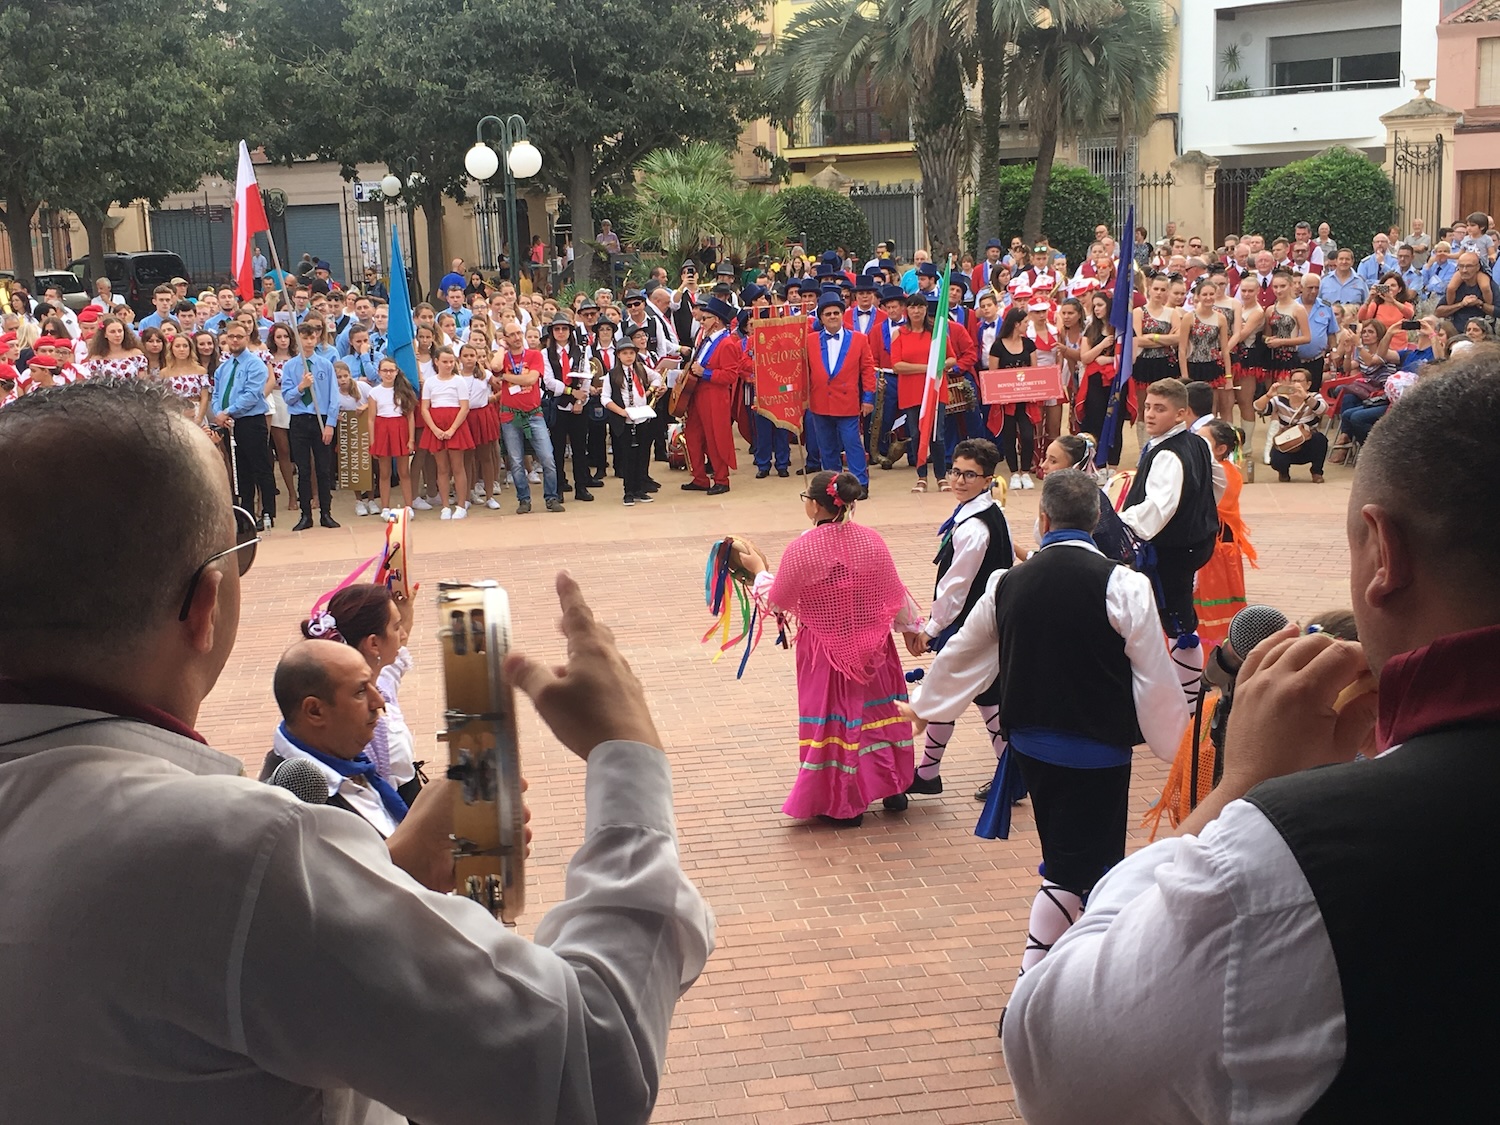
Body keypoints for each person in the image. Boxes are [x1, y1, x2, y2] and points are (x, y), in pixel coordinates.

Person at [0, 380, 714, 1125]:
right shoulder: (241, 853)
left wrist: (385, 879)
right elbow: (589, 1067)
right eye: (241, 538)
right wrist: (627, 754)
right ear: (205, 605)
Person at [1001, 358, 1497, 1125]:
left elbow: (1055, 1062)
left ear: (1383, 553)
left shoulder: (1301, 850)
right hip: (1096, 729)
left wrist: (1241, 790)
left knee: (1068, 869)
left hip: (1071, 742)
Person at [912, 469, 1186, 1005]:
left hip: (1030, 743)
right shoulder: (1123, 584)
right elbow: (1154, 675)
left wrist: (926, 704)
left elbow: (965, 651)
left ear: (1042, 521)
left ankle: (1069, 977)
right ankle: (1033, 990)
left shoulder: (1008, 583)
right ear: (1098, 520)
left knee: (1079, 859)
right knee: (1076, 866)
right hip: (1098, 749)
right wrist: (1178, 749)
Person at [730, 471, 921, 827]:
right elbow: (894, 592)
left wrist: (758, 571)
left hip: (826, 652)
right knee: (877, 718)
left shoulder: (803, 548)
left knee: (836, 723)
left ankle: (844, 802)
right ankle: (894, 787)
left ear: (815, 505)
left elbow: (777, 600)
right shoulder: (872, 541)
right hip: (876, 649)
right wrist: (913, 629)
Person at [903, 439, 1016, 801]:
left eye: (970, 475)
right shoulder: (988, 513)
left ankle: (1004, 775)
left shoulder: (974, 527)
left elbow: (956, 587)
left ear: (987, 479)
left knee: (950, 691)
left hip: (971, 624)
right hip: (987, 621)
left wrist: (930, 629)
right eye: (955, 471)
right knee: (983, 695)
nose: (959, 480)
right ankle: (934, 772)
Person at [1120, 377, 1221, 705]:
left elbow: (1157, 509)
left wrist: (1118, 526)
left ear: (1180, 414)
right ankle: (1181, 693)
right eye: (1148, 406)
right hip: (1194, 541)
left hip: (1173, 549)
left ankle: (1190, 702)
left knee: (1176, 622)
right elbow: (1217, 484)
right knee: (1172, 616)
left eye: (1159, 409)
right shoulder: (1198, 443)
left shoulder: (1168, 454)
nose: (1149, 414)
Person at [261, 640, 403, 837]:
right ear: (315, 711)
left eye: (373, 684)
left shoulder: (344, 755)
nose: (378, 701)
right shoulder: (295, 806)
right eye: (361, 691)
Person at [1192, 421, 1258, 648]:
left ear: (1220, 449)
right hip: (1217, 549)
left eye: (1202, 441)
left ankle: (1213, 653)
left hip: (1216, 553)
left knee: (1210, 609)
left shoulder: (1221, 473)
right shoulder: (1219, 470)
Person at [805, 291, 876, 496]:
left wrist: (868, 398)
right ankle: (832, 483)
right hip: (820, 402)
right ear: (821, 318)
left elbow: (868, 370)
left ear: (843, 314)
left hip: (848, 402)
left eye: (836, 312)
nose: (833, 316)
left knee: (852, 443)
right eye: (828, 314)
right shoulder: (809, 341)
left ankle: (860, 483)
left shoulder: (859, 340)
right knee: (826, 446)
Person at [211, 322, 277, 529]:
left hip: (251, 421)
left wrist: (228, 411)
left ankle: (267, 512)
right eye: (231, 337)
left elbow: (252, 394)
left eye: (239, 336)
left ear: (247, 338)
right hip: (230, 423)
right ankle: (246, 514)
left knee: (261, 468)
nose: (235, 340)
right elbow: (216, 393)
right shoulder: (224, 367)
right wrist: (218, 413)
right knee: (242, 470)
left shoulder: (255, 364)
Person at [496, 319, 563, 514]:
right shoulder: (504, 358)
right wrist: (501, 347)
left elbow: (531, 379)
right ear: (506, 338)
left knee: (547, 457)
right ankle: (523, 499)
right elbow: (493, 365)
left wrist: (506, 377)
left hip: (534, 414)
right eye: (512, 335)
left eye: (519, 333)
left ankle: (551, 497)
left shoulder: (534, 355)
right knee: (516, 461)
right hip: (510, 416)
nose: (517, 338)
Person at [279, 322, 341, 531]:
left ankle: (326, 512)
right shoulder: (290, 366)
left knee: (323, 469)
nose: (308, 341)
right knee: (304, 469)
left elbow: (334, 397)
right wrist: (301, 387)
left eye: (312, 337)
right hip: (299, 420)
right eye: (304, 338)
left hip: (320, 418)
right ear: (298, 340)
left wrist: (330, 424)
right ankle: (305, 515)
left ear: (317, 339)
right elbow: (287, 397)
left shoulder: (325, 365)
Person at [680, 295, 743, 496]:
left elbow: (731, 375)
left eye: (704, 318)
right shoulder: (706, 340)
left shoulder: (727, 343)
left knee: (716, 437)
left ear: (715, 320)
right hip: (699, 394)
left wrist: (705, 373)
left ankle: (721, 479)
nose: (701, 321)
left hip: (715, 395)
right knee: (693, 434)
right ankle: (699, 477)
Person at [601, 337, 659, 505]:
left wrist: (650, 392)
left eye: (631, 353)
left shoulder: (641, 369)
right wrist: (621, 412)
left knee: (642, 455)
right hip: (624, 420)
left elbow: (657, 377)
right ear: (619, 355)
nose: (629, 357)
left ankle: (640, 488)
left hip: (641, 418)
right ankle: (628, 491)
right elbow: (605, 398)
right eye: (625, 353)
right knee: (628, 456)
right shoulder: (611, 375)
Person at [988, 306, 1039, 490]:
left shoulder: (1029, 344)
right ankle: (1014, 473)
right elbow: (993, 374)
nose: (1027, 325)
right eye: (1025, 322)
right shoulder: (998, 346)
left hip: (1025, 400)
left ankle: (1025, 471)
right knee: (1008, 437)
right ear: (1016, 324)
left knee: (1027, 435)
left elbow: (1034, 371)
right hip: (1006, 401)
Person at [1255, 368, 1329, 483]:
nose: (1296, 384)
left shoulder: (1314, 397)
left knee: (1321, 440)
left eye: (1300, 381)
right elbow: (1258, 408)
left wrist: (1305, 397)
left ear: (1308, 384)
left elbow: (1322, 409)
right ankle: (1283, 472)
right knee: (1275, 458)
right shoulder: (1280, 400)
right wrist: (1268, 395)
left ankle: (1316, 472)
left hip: (1308, 441)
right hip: (1288, 441)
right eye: (1293, 381)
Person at [369, 357, 417, 518]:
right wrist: (372, 441)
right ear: (379, 372)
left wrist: (411, 439)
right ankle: (385, 508)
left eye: (391, 370)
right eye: (385, 371)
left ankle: (408, 506)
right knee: (384, 473)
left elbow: (410, 417)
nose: (388, 374)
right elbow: (371, 418)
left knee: (404, 471)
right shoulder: (374, 392)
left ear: (397, 372)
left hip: (400, 429)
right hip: (383, 430)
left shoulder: (404, 390)